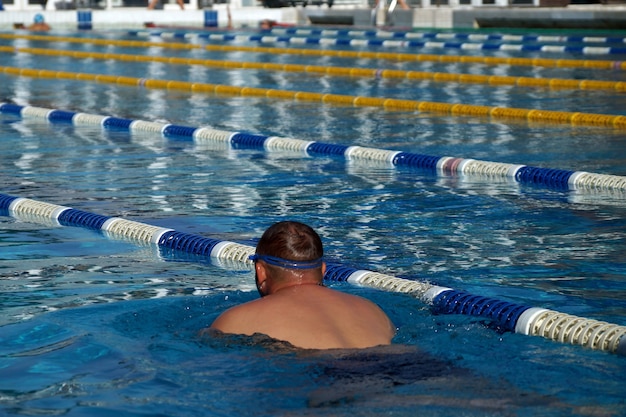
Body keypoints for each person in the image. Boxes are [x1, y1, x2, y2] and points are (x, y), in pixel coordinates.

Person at [209, 221, 395, 350]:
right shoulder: (372, 310)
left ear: (260, 271)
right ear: (322, 270)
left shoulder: (236, 321)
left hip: (332, 376)